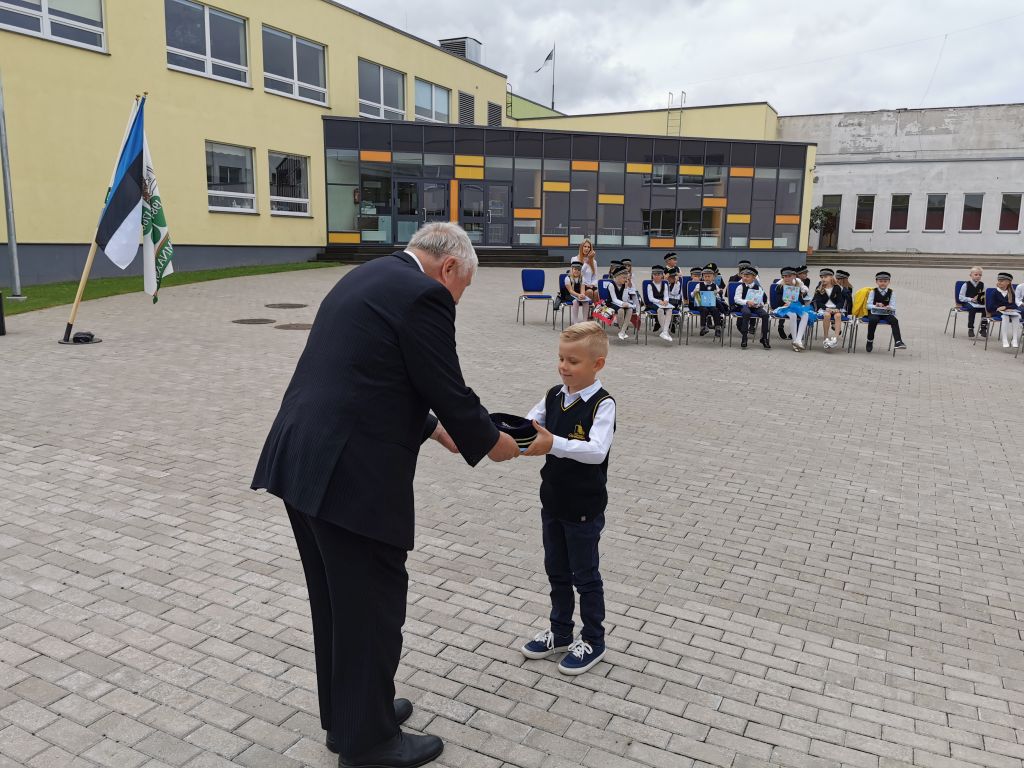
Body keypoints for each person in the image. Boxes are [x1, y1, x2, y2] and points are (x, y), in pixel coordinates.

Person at [251, 222, 520, 768]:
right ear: (449, 267)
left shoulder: (370, 274)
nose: (457, 301)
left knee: (338, 606)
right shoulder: (424, 295)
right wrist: (493, 443)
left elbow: (373, 371)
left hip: (302, 460)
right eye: (462, 289)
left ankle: (351, 718)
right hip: (350, 477)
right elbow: (447, 385)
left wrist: (435, 430)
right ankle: (369, 743)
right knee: (372, 608)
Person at [519, 321, 615, 676]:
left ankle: (593, 639)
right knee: (556, 570)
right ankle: (560, 632)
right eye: (561, 358)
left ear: (597, 364)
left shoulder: (603, 405)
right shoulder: (554, 395)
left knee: (585, 576)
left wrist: (553, 443)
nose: (563, 366)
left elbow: (597, 450)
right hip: (553, 501)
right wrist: (502, 432)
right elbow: (529, 423)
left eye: (573, 361)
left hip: (583, 507)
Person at [773, 266, 814, 351]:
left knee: (805, 315)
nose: (787, 278)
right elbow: (777, 301)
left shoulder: (798, 284)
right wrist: (785, 303)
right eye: (785, 276)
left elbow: (801, 298)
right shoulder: (780, 286)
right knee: (793, 315)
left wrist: (802, 293)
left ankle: (798, 340)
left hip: (796, 306)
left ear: (794, 276)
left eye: (789, 276)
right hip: (785, 307)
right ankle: (794, 341)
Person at [865, 270, 907, 352]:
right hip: (874, 312)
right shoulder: (873, 292)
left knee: (894, 320)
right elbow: (868, 305)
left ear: (889, 282)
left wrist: (889, 307)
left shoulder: (892, 293)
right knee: (873, 320)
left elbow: (893, 307)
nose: (883, 283)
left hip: (886, 313)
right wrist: (876, 305)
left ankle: (898, 341)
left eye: (885, 281)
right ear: (876, 282)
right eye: (880, 281)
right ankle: (870, 340)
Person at [731, 266, 770, 349]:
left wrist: (759, 304)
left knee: (765, 315)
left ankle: (764, 338)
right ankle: (744, 337)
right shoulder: (740, 287)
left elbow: (762, 301)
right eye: (744, 276)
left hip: (755, 307)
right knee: (747, 313)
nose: (745, 278)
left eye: (747, 276)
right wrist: (746, 302)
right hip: (744, 305)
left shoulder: (758, 288)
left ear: (754, 278)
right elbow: (736, 299)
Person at [813, 268, 849, 349]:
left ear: (831, 277)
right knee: (827, 315)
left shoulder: (837, 288)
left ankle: (835, 339)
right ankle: (826, 338)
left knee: (838, 316)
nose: (823, 279)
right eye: (822, 277)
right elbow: (817, 301)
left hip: (835, 308)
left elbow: (841, 301)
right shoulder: (820, 288)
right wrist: (826, 308)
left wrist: (837, 308)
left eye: (825, 277)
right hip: (825, 309)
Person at [989, 272, 1021, 349]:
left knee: (1016, 316)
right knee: (1005, 316)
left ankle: (1014, 339)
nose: (999, 282)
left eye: (1002, 281)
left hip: (1009, 312)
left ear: (1008, 282)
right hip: (996, 312)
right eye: (999, 280)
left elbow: (1014, 305)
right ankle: (1004, 339)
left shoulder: (1011, 293)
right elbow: (990, 307)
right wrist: (1000, 308)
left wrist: (1005, 307)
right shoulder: (995, 292)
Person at [692, 266, 724, 339]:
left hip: (711, 304)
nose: (707, 278)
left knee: (715, 310)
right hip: (701, 304)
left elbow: (718, 297)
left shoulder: (715, 285)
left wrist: (716, 294)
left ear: (713, 277)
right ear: (703, 277)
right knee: (704, 309)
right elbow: (692, 295)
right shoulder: (699, 285)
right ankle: (703, 327)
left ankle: (717, 328)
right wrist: (695, 292)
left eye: (709, 276)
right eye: (705, 276)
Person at [645, 265, 675, 342]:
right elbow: (650, 298)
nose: (657, 276)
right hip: (653, 303)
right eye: (655, 274)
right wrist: (659, 301)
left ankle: (664, 332)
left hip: (663, 303)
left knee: (669, 310)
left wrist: (666, 301)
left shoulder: (665, 284)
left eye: (658, 274)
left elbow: (666, 295)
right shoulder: (650, 285)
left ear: (662, 276)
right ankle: (665, 331)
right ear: (652, 275)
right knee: (660, 310)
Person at [606, 264, 634, 341]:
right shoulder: (611, 285)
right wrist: (622, 304)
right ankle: (622, 329)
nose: (625, 280)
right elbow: (614, 299)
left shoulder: (624, 285)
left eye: (626, 278)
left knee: (630, 309)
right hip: (611, 303)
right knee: (621, 310)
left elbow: (624, 299)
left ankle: (622, 331)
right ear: (617, 277)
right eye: (624, 278)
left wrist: (626, 288)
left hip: (621, 303)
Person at [958, 266, 987, 338]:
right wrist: (971, 299)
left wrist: (982, 298)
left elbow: (985, 295)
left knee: (986, 309)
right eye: (976, 274)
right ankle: (970, 328)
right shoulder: (966, 285)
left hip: (978, 303)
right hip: (967, 302)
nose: (978, 276)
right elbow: (961, 297)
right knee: (972, 309)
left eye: (980, 275)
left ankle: (983, 328)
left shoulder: (982, 285)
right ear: (971, 275)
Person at [560, 260, 591, 325]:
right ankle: (575, 322)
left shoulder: (582, 278)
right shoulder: (567, 278)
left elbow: (582, 289)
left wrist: (582, 295)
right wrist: (578, 295)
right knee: (575, 302)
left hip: (578, 294)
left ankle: (585, 321)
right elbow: (570, 291)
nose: (576, 271)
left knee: (586, 301)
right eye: (575, 269)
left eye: (578, 270)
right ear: (572, 269)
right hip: (568, 294)